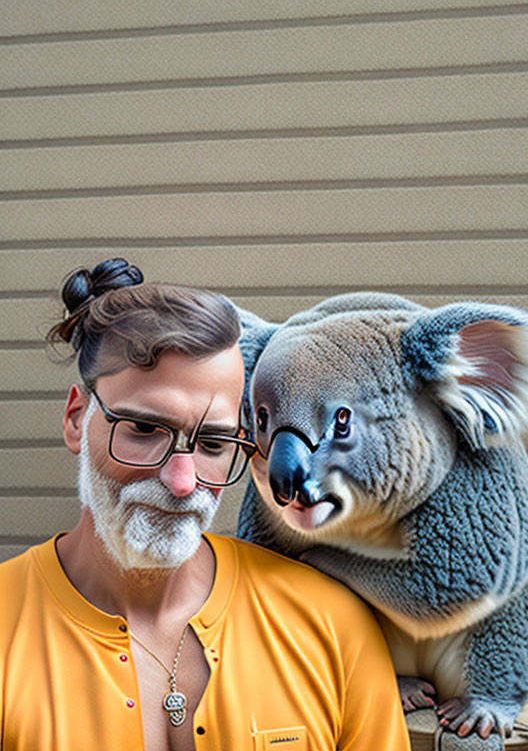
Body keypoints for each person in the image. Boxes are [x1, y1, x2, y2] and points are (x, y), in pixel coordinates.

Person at [0, 258, 411, 751]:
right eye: (145, 430)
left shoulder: (332, 626)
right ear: (75, 420)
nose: (181, 481)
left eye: (213, 444)